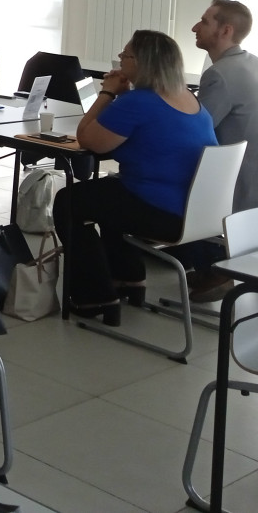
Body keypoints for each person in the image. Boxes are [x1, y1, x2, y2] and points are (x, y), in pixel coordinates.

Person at [53, 30, 217, 323]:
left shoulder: (140, 101)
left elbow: (89, 139)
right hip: (194, 209)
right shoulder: (191, 101)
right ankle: (128, 278)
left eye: (126, 55)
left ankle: (95, 296)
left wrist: (107, 93)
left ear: (143, 62)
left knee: (69, 202)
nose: (120, 58)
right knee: (108, 195)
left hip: (161, 211)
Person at [184, 0, 258, 301]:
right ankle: (208, 263)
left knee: (164, 179)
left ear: (225, 30)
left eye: (204, 21)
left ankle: (213, 268)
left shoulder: (220, 74)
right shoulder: (253, 62)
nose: (195, 27)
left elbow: (196, 130)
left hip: (238, 184)